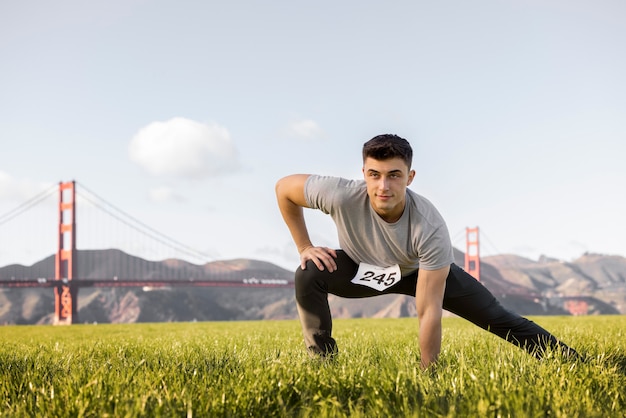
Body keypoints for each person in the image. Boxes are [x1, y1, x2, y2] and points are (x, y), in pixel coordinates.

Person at [275, 133, 578, 369]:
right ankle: (322, 362)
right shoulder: (339, 194)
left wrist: (427, 372)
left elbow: (429, 310)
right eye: (374, 174)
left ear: (410, 177)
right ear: (364, 172)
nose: (383, 186)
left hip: (415, 271)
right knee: (308, 272)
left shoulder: (429, 226)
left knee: (495, 315)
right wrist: (304, 246)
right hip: (359, 268)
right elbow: (284, 188)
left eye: (394, 175)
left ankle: (572, 361)